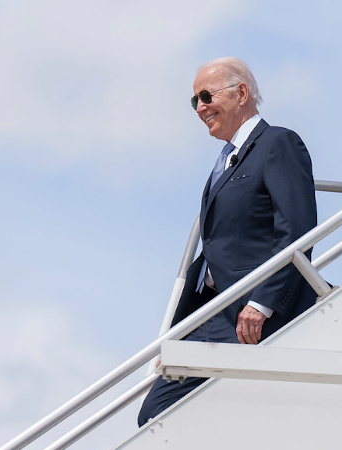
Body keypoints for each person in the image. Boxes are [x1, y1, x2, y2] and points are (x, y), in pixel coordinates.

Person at [137, 57, 319, 426]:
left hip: (247, 316)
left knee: (228, 417)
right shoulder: (224, 160)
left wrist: (262, 303)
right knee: (155, 416)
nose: (200, 107)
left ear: (241, 93)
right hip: (208, 314)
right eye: (195, 101)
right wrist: (179, 331)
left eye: (206, 96)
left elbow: (297, 229)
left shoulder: (277, 143)